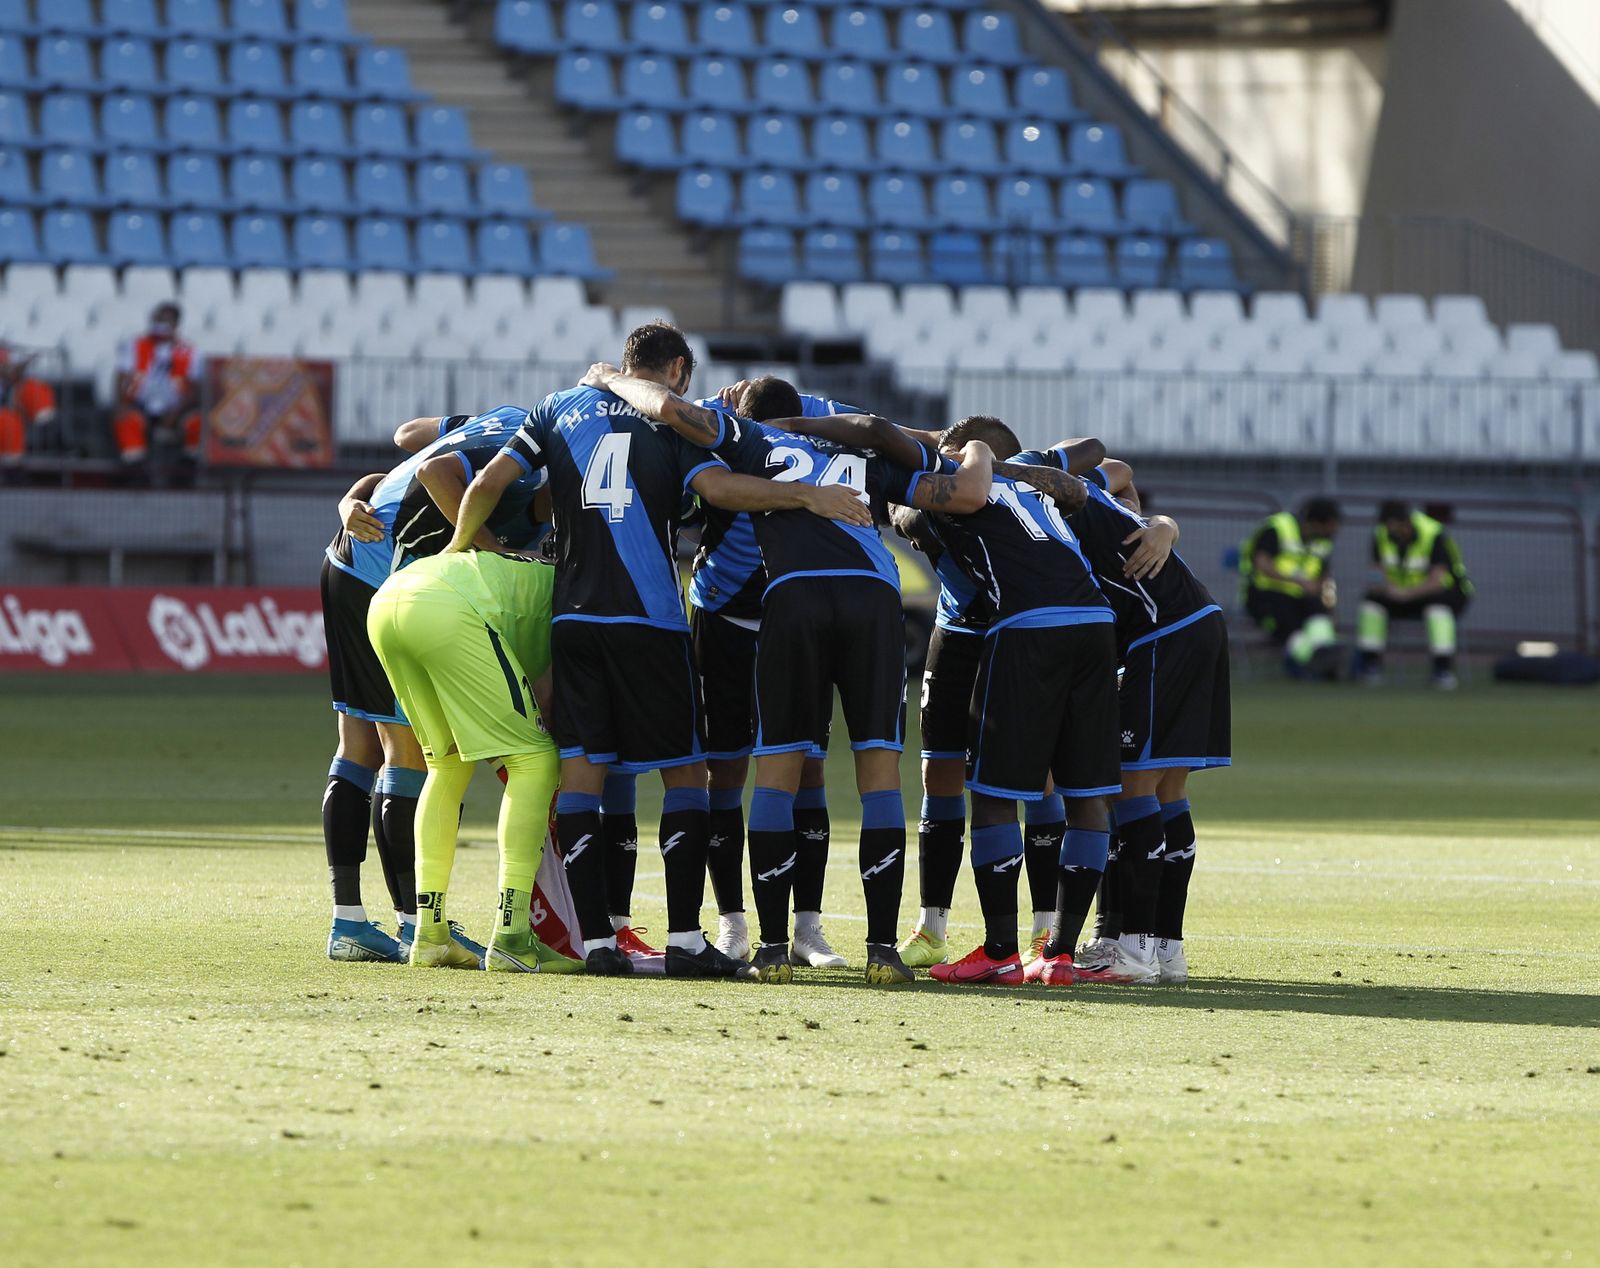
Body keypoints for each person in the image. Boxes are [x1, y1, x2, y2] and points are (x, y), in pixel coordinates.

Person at [445, 324, 870, 979]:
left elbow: (486, 484)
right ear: (676, 370)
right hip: (651, 619)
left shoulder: (556, 407)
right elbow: (724, 492)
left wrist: (464, 548)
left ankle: (596, 944)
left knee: (584, 771)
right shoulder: (671, 426)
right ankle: (682, 940)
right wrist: (805, 493)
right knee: (686, 775)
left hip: (575, 619)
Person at [578, 368, 994, 985]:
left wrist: (610, 378)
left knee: (773, 766)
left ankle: (779, 942)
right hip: (862, 601)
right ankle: (878, 951)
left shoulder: (744, 439)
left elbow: (667, 409)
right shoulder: (856, 453)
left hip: (790, 601)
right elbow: (965, 493)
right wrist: (981, 449)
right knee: (876, 769)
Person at [865, 417, 1118, 987]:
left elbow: (1103, 458)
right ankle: (982, 936)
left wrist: (966, 461)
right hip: (998, 631)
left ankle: (1019, 941)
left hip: (1020, 628)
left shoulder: (980, 479)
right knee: (955, 775)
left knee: (1013, 790)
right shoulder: (1033, 481)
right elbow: (1094, 473)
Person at [320, 408, 544, 965]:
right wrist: (485, 546)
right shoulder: (530, 452)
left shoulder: (492, 421)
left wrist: (351, 499)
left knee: (358, 748)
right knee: (413, 755)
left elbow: (405, 441)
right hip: (381, 578)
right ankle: (415, 925)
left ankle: (349, 921)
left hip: (344, 564)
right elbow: (435, 471)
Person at [1005, 447, 1230, 985]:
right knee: (1167, 789)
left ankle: (1130, 950)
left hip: (1164, 635)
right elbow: (1121, 475)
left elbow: (1109, 475)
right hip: (1191, 623)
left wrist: (1162, 525)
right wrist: (1160, 524)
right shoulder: (1083, 502)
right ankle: (1164, 948)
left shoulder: (1046, 500)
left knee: (1128, 788)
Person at [687, 375, 859, 967]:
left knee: (808, 772)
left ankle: (808, 927)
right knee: (726, 769)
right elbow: (672, 411)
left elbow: (877, 430)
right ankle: (733, 921)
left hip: (797, 622)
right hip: (724, 616)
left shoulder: (817, 413)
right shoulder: (720, 420)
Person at [367, 548, 582, 973]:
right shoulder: (585, 595)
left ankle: (429, 936)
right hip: (448, 607)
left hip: (388, 602)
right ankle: (512, 937)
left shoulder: (547, 572)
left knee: (446, 766)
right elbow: (548, 699)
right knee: (535, 761)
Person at [1356, 501, 1473, 690]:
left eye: (1396, 528)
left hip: (1443, 593)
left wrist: (1405, 594)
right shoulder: (1380, 535)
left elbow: (1437, 581)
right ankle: (1370, 666)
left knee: (1438, 610)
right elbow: (1376, 574)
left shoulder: (1433, 533)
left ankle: (1442, 670)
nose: (1392, 534)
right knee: (1371, 605)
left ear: (1407, 522)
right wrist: (1383, 588)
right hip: (1401, 593)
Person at [1239, 498, 1342, 680]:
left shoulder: (1323, 542)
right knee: (1287, 624)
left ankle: (1326, 655)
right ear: (1317, 522)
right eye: (1331, 526)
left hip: (1301, 596)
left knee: (1318, 615)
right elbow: (1262, 563)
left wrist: (1327, 600)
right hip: (1264, 593)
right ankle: (1314, 661)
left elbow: (1324, 577)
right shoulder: (1279, 527)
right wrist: (1299, 581)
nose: (1334, 531)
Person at [113, 302, 203, 465]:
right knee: (125, 420)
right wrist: (122, 403)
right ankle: (136, 469)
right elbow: (122, 376)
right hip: (141, 404)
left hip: (176, 408)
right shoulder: (137, 344)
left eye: (165, 321)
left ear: (175, 324)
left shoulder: (189, 350)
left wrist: (175, 412)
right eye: (158, 320)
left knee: (197, 422)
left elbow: (196, 388)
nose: (160, 325)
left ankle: (188, 469)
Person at [0, 341, 58, 466]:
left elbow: (13, 373)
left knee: (32, 389)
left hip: (8, 419)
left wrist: (28, 361)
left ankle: (43, 414)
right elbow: (9, 371)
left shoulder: (12, 383)